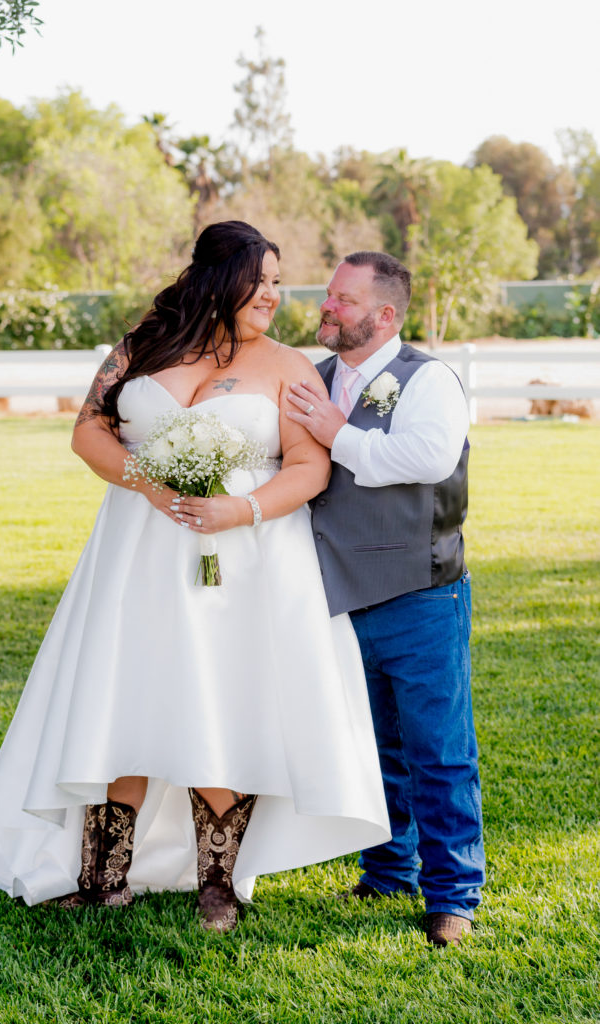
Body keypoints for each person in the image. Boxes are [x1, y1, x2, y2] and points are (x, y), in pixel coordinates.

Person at [0, 222, 390, 933]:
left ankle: (218, 884)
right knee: (123, 688)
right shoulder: (143, 345)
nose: (274, 297)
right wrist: (150, 486)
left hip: (242, 563)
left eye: (279, 284)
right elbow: (89, 431)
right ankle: (104, 875)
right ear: (220, 279)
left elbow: (310, 468)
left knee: (215, 697)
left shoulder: (288, 365)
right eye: (263, 281)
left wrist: (240, 509)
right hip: (135, 550)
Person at [287, 250, 485, 948]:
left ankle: (453, 893)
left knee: (438, 750)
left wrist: (334, 434)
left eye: (344, 299)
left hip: (419, 593)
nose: (327, 306)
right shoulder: (310, 380)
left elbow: (427, 459)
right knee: (373, 748)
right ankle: (388, 870)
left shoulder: (427, 381)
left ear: (385, 314)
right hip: (335, 597)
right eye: (330, 295)